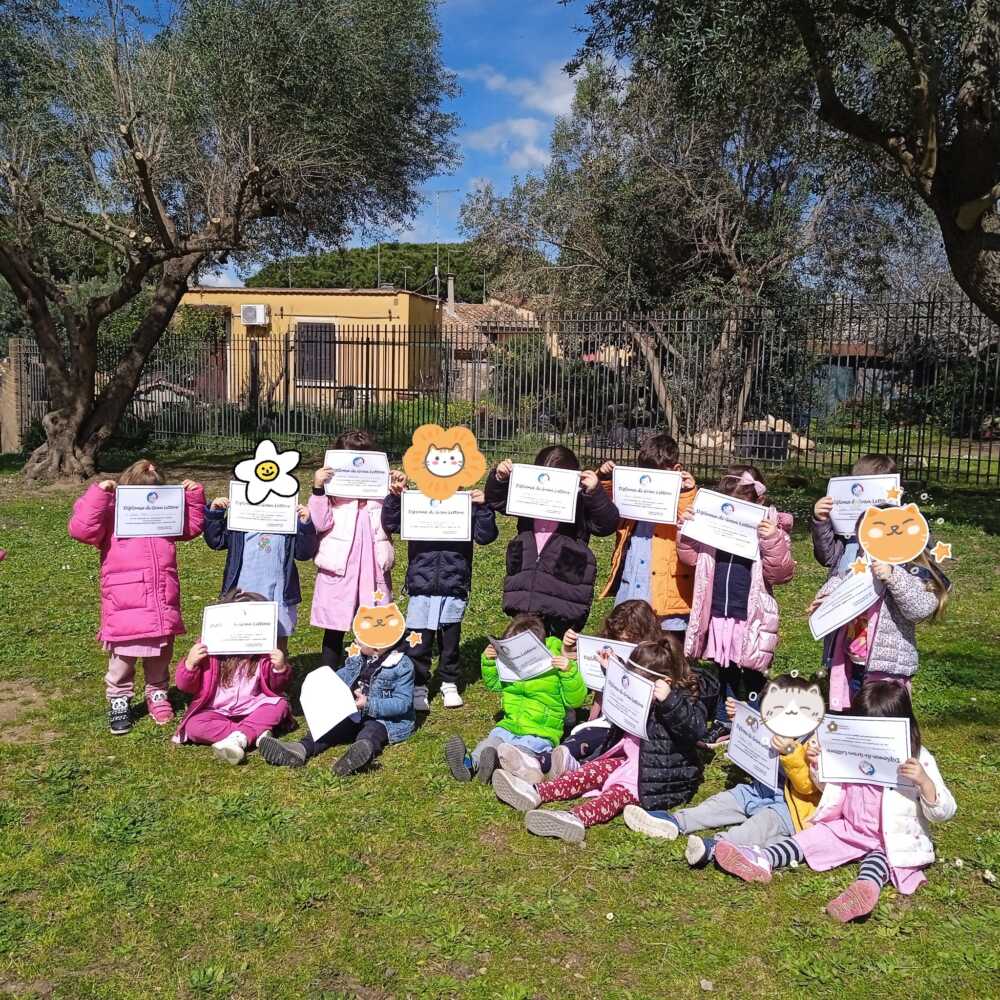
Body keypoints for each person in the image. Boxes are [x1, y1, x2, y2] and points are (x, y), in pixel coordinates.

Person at [715, 681, 956, 923]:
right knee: (807, 839)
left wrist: (925, 783)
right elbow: (829, 789)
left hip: (890, 838)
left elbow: (944, 811)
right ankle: (763, 859)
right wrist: (819, 765)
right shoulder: (850, 748)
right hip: (848, 827)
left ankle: (864, 889)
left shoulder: (919, 760)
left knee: (881, 859)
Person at [491, 639, 715, 844]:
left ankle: (574, 818)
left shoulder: (684, 700)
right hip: (627, 758)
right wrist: (613, 672)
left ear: (664, 682)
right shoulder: (644, 688)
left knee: (615, 795)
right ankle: (536, 792)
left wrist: (670, 701)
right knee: (588, 771)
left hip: (656, 777)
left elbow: (694, 729)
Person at [67, 460, 205, 734]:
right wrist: (99, 494)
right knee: (123, 657)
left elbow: (190, 528)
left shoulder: (165, 514)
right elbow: (81, 529)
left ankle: (157, 693)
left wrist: (193, 497)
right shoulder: (111, 512)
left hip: (160, 597)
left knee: (160, 652)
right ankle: (119, 698)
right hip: (124, 600)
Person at [623, 681, 823, 866]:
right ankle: (675, 822)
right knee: (722, 802)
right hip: (758, 790)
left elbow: (807, 787)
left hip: (791, 807)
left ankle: (716, 847)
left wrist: (791, 753)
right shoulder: (771, 726)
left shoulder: (814, 742)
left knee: (759, 827)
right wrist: (743, 719)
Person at [678, 464, 794, 739]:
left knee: (753, 670)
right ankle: (724, 720)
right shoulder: (713, 522)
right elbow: (690, 558)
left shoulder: (772, 531)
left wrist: (772, 540)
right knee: (724, 667)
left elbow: (782, 573)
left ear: (760, 502)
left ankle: (753, 722)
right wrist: (687, 530)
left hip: (750, 611)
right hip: (718, 607)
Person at [495, 599, 664, 784]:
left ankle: (541, 762)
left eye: (627, 641)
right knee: (580, 738)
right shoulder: (605, 650)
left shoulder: (657, 661)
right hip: (604, 719)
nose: (620, 642)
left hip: (632, 724)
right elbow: (576, 685)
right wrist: (567, 651)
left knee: (595, 741)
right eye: (617, 639)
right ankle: (550, 761)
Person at [381, 472, 498, 711]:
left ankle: (449, 682)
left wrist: (483, 507)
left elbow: (485, 536)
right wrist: (395, 499)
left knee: (450, 640)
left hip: (453, 584)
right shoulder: (417, 502)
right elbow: (391, 523)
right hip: (421, 585)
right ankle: (419, 684)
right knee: (418, 640)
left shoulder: (465, 505)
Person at [484, 445, 619, 637]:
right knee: (523, 642)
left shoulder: (581, 498)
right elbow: (495, 501)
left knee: (557, 644)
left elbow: (606, 525)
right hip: (527, 581)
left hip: (563, 588)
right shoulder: (528, 494)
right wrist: (500, 479)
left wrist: (595, 492)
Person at [258, 621, 416, 776]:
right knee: (329, 727)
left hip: (383, 719)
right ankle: (299, 749)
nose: (355, 641)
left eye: (360, 639)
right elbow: (344, 675)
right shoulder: (360, 658)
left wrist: (369, 704)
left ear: (376, 647)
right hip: (353, 711)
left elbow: (402, 703)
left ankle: (357, 756)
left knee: (371, 733)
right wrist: (328, 684)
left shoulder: (401, 666)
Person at [444, 614, 587, 783]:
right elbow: (494, 684)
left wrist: (569, 672)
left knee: (519, 752)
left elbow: (575, 700)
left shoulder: (555, 663)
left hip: (539, 732)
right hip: (509, 725)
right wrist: (489, 662)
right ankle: (469, 764)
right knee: (489, 744)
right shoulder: (511, 664)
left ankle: (496, 766)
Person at [810, 539, 949, 710]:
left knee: (885, 719)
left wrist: (893, 575)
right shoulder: (864, 560)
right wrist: (827, 597)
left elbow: (919, 609)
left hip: (886, 670)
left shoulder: (912, 570)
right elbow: (842, 579)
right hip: (853, 660)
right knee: (854, 712)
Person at [172, 591, 292, 763]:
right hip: (216, 710)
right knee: (193, 726)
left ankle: (241, 737)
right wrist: (190, 664)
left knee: (279, 705)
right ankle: (253, 733)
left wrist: (280, 668)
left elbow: (277, 688)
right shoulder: (209, 649)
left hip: (253, 706)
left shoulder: (264, 652)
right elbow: (185, 686)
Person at [309, 429, 394, 669]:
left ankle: (370, 678)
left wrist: (397, 492)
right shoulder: (333, 493)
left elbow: (395, 521)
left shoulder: (381, 493)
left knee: (374, 624)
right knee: (335, 628)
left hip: (373, 566)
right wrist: (318, 489)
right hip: (340, 567)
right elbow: (319, 523)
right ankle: (329, 678)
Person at [597, 433, 698, 634]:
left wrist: (687, 492)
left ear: (677, 469)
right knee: (627, 643)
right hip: (632, 588)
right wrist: (605, 478)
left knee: (665, 650)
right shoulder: (635, 491)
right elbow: (605, 505)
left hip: (667, 598)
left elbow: (691, 524)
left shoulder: (686, 497)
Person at [203, 494, 318, 653]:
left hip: (279, 593)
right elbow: (216, 540)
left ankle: (278, 674)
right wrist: (215, 513)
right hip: (243, 591)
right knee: (242, 639)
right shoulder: (240, 519)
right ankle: (244, 675)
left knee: (278, 643)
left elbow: (303, 553)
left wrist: (305, 525)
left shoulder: (286, 517)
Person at [811, 454, 898, 579]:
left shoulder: (903, 524)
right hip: (840, 589)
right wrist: (821, 520)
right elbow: (827, 558)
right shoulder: (845, 527)